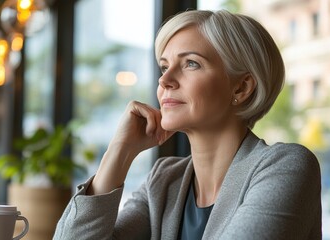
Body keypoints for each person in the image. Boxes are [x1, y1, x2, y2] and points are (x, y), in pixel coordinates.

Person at [53, 9, 322, 240]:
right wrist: (119, 152)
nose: (165, 80)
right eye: (164, 66)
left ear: (241, 87)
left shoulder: (287, 165)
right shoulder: (164, 180)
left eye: (191, 63)